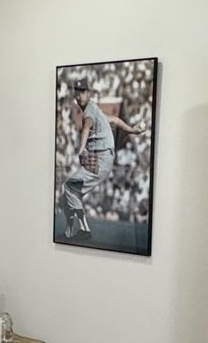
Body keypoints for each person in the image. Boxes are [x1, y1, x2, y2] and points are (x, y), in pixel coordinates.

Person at [61, 76, 147, 239]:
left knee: (69, 189)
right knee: (72, 191)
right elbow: (114, 120)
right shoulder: (95, 110)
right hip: (103, 159)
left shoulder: (90, 112)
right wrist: (132, 130)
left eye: (83, 92)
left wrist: (81, 148)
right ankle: (76, 230)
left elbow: (86, 127)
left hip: (101, 159)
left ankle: (82, 230)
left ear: (88, 93)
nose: (79, 96)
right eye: (77, 93)